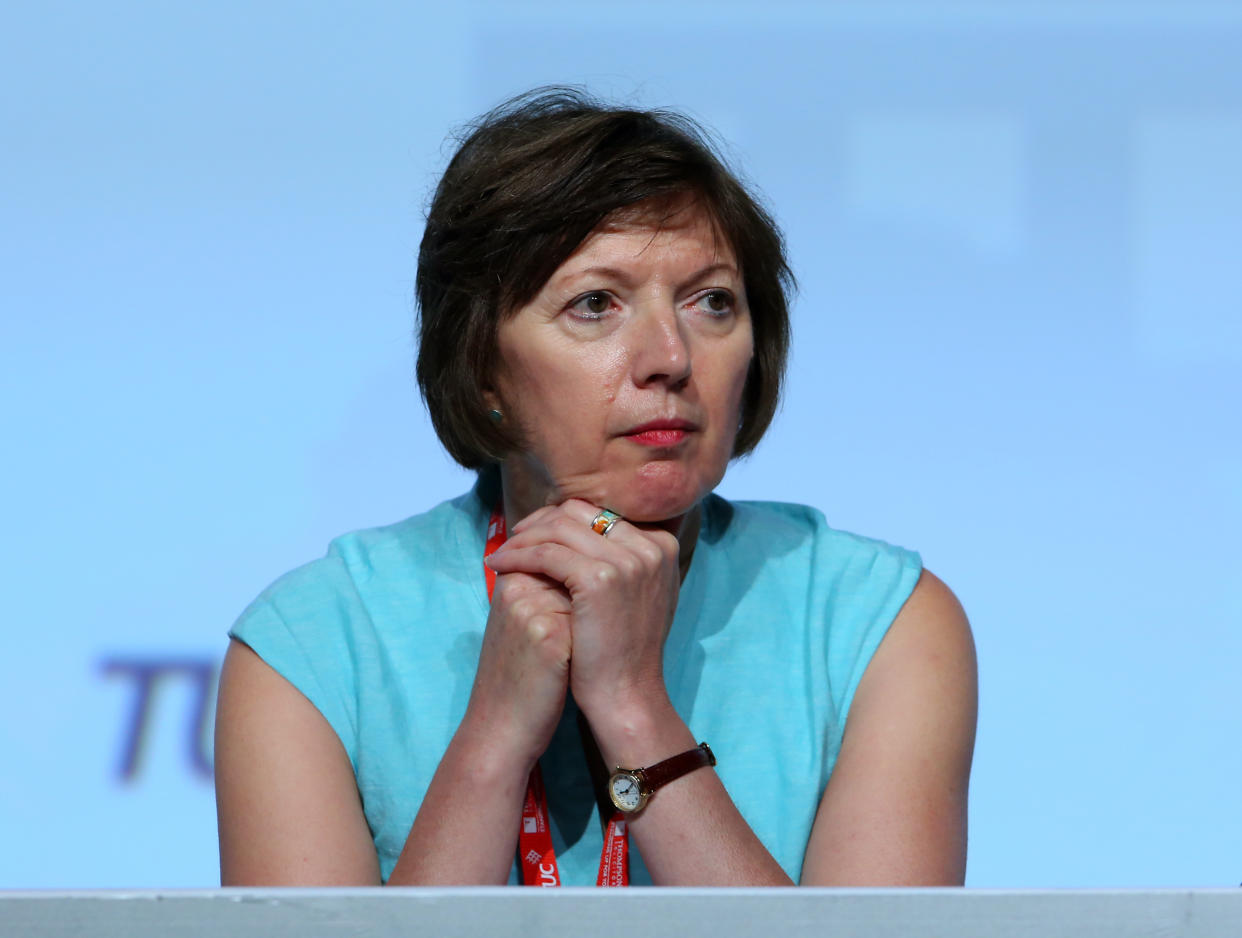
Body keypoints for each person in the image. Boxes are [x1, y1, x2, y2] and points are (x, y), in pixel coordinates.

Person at [214, 88, 977, 887]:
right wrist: (494, 740)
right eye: (595, 305)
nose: (670, 357)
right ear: (481, 369)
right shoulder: (316, 642)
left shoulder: (878, 623)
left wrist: (634, 709)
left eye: (711, 301)